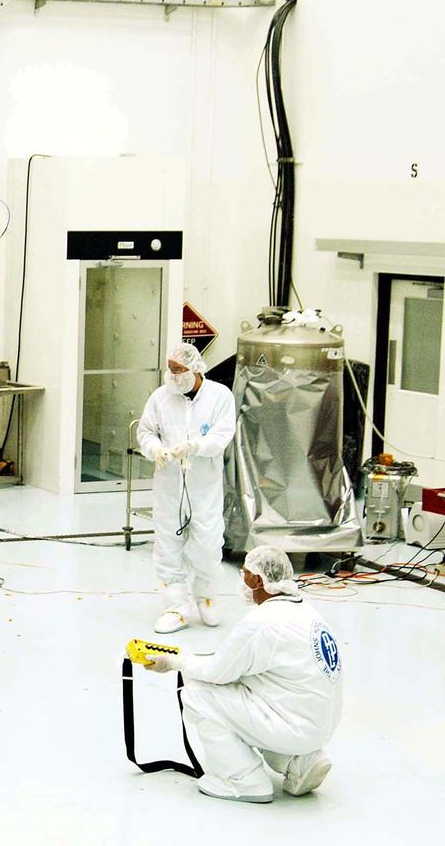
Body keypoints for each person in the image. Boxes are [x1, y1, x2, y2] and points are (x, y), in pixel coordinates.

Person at [146, 546, 342, 803]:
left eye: (246, 573)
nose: (243, 578)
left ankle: (243, 781)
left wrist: (173, 662)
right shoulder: (306, 612)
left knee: (197, 694)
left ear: (259, 580)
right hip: (318, 724)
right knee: (246, 695)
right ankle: (300, 761)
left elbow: (217, 673)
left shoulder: (262, 622)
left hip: (294, 726)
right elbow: (240, 666)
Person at [136, 342, 235, 634]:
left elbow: (222, 435)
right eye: (171, 369)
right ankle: (176, 606)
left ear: (196, 368)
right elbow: (146, 431)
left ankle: (205, 595)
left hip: (204, 484)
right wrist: (156, 449)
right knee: (168, 544)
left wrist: (195, 446)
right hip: (169, 485)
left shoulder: (219, 396)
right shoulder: (161, 397)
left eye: (179, 370)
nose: (174, 375)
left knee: (207, 540)